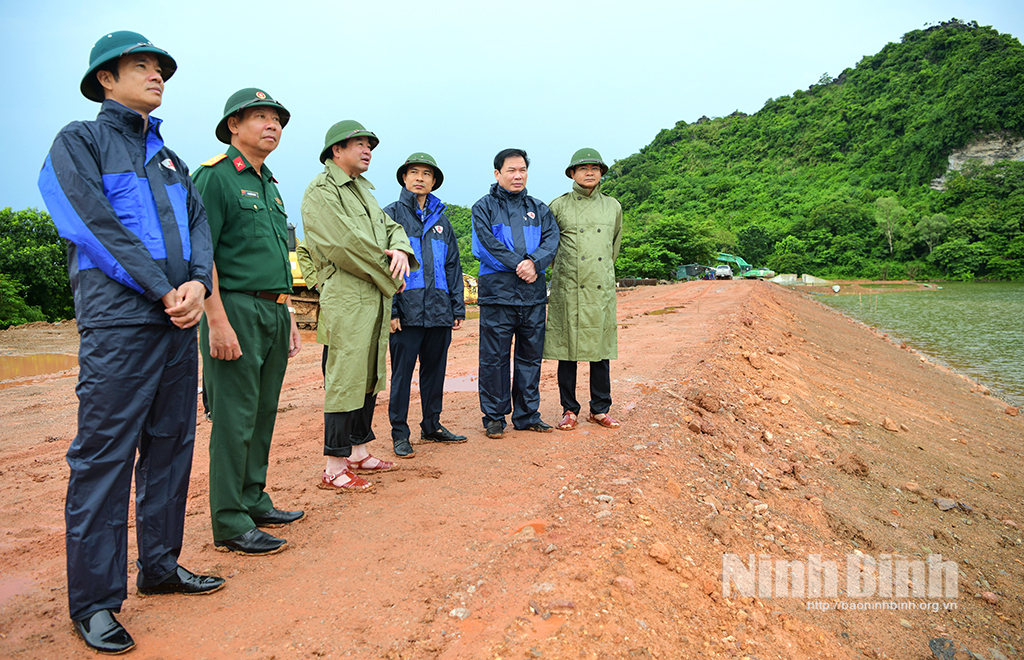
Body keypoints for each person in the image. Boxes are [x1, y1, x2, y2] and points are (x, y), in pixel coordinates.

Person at [37, 30, 222, 654]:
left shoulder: (171, 159)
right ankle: (94, 602)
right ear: (105, 80)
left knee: (171, 444)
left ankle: (161, 567)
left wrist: (195, 283)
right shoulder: (80, 141)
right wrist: (161, 287)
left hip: (178, 320)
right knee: (105, 458)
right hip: (121, 321)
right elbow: (88, 220)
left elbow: (198, 225)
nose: (156, 75)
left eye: (160, 68)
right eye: (140, 66)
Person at [192, 88, 303, 556]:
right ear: (234, 125)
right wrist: (215, 320)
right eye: (260, 117)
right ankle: (230, 520)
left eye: (276, 118)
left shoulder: (271, 183)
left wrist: (290, 312)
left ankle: (253, 499)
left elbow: (281, 256)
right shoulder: (214, 178)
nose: (272, 125)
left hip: (273, 309)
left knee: (261, 415)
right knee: (234, 418)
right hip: (232, 308)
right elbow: (201, 254)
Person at [300, 121, 417, 490]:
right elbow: (344, 245)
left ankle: (358, 450)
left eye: (370, 145)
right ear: (337, 150)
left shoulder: (365, 192)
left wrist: (399, 248)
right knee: (344, 376)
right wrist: (390, 275)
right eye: (359, 144)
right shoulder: (322, 191)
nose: (367, 150)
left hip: (373, 297)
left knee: (368, 375)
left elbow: (391, 227)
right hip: (348, 295)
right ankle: (334, 464)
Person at [471, 149, 560, 438]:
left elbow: (551, 240)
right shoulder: (483, 208)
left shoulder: (539, 208)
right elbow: (486, 244)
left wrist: (534, 263)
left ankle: (527, 413)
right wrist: (520, 264)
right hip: (498, 293)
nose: (517, 175)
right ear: (497, 174)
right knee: (494, 357)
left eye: (522, 169)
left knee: (530, 356)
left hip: (532, 294)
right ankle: (494, 416)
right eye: (511, 170)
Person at [383, 153, 467, 458]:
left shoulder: (442, 220)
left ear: (434, 181)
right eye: (414, 172)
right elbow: (382, 265)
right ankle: (399, 433)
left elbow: (453, 266)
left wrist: (457, 307)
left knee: (435, 371)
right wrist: (392, 310)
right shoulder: (390, 216)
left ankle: (432, 424)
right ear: (404, 178)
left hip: (438, 311)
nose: (420, 177)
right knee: (402, 375)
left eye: (427, 174)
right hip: (406, 311)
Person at [544, 148, 623, 430]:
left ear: (601, 173)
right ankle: (569, 409)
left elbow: (613, 246)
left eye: (595, 168)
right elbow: (549, 247)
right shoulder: (558, 206)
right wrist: (567, 273)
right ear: (572, 173)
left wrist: (601, 271)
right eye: (583, 168)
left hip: (599, 287)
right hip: (569, 286)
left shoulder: (613, 206)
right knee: (568, 350)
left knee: (600, 349)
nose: (589, 172)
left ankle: (600, 409)